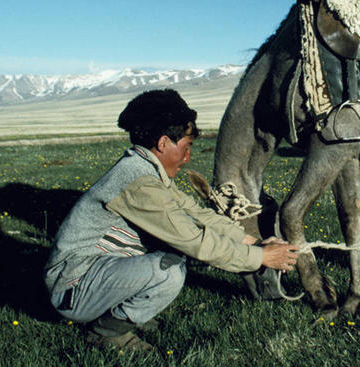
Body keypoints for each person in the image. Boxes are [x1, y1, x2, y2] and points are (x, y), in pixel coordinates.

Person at [44, 89, 299, 351]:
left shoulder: (145, 171)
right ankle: (106, 332)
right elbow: (195, 241)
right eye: (186, 147)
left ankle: (121, 312)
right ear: (164, 143)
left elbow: (197, 215)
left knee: (171, 250)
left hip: (93, 275)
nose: (188, 158)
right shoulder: (139, 183)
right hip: (72, 289)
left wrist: (255, 243)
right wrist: (261, 258)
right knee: (168, 271)